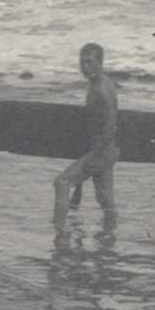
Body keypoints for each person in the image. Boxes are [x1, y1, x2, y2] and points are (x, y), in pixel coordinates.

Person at [54, 42, 119, 226]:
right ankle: (109, 237)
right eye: (82, 62)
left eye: (90, 62)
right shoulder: (96, 83)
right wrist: (81, 183)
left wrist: (95, 157)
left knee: (62, 183)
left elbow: (111, 126)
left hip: (103, 150)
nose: (85, 67)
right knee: (104, 199)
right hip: (106, 149)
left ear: (101, 62)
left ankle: (58, 232)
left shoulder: (102, 90)